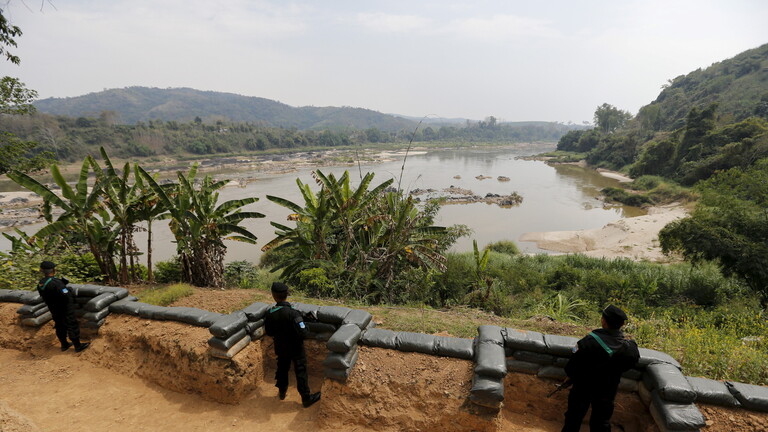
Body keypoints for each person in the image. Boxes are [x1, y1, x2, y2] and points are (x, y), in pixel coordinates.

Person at [561, 305, 640, 432]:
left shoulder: (588, 342)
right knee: (601, 421)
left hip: (583, 387)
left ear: (603, 321)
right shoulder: (629, 348)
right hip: (608, 389)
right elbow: (631, 363)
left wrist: (571, 376)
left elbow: (572, 366)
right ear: (621, 325)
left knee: (573, 418)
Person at [264, 281, 321, 408]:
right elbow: (304, 332)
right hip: (296, 347)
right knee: (300, 371)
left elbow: (269, 332)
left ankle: (282, 392)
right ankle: (306, 398)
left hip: (280, 346)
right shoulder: (294, 313)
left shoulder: (270, 313)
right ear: (287, 295)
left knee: (282, 368)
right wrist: (307, 324)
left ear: (273, 295)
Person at [37, 261, 89, 353]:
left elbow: (48, 294)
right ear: (53, 270)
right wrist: (68, 289)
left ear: (42, 270)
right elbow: (66, 294)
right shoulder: (56, 282)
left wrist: (62, 285)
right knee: (71, 324)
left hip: (53, 308)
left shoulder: (41, 283)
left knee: (59, 325)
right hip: (64, 307)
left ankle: (64, 344)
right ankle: (78, 346)